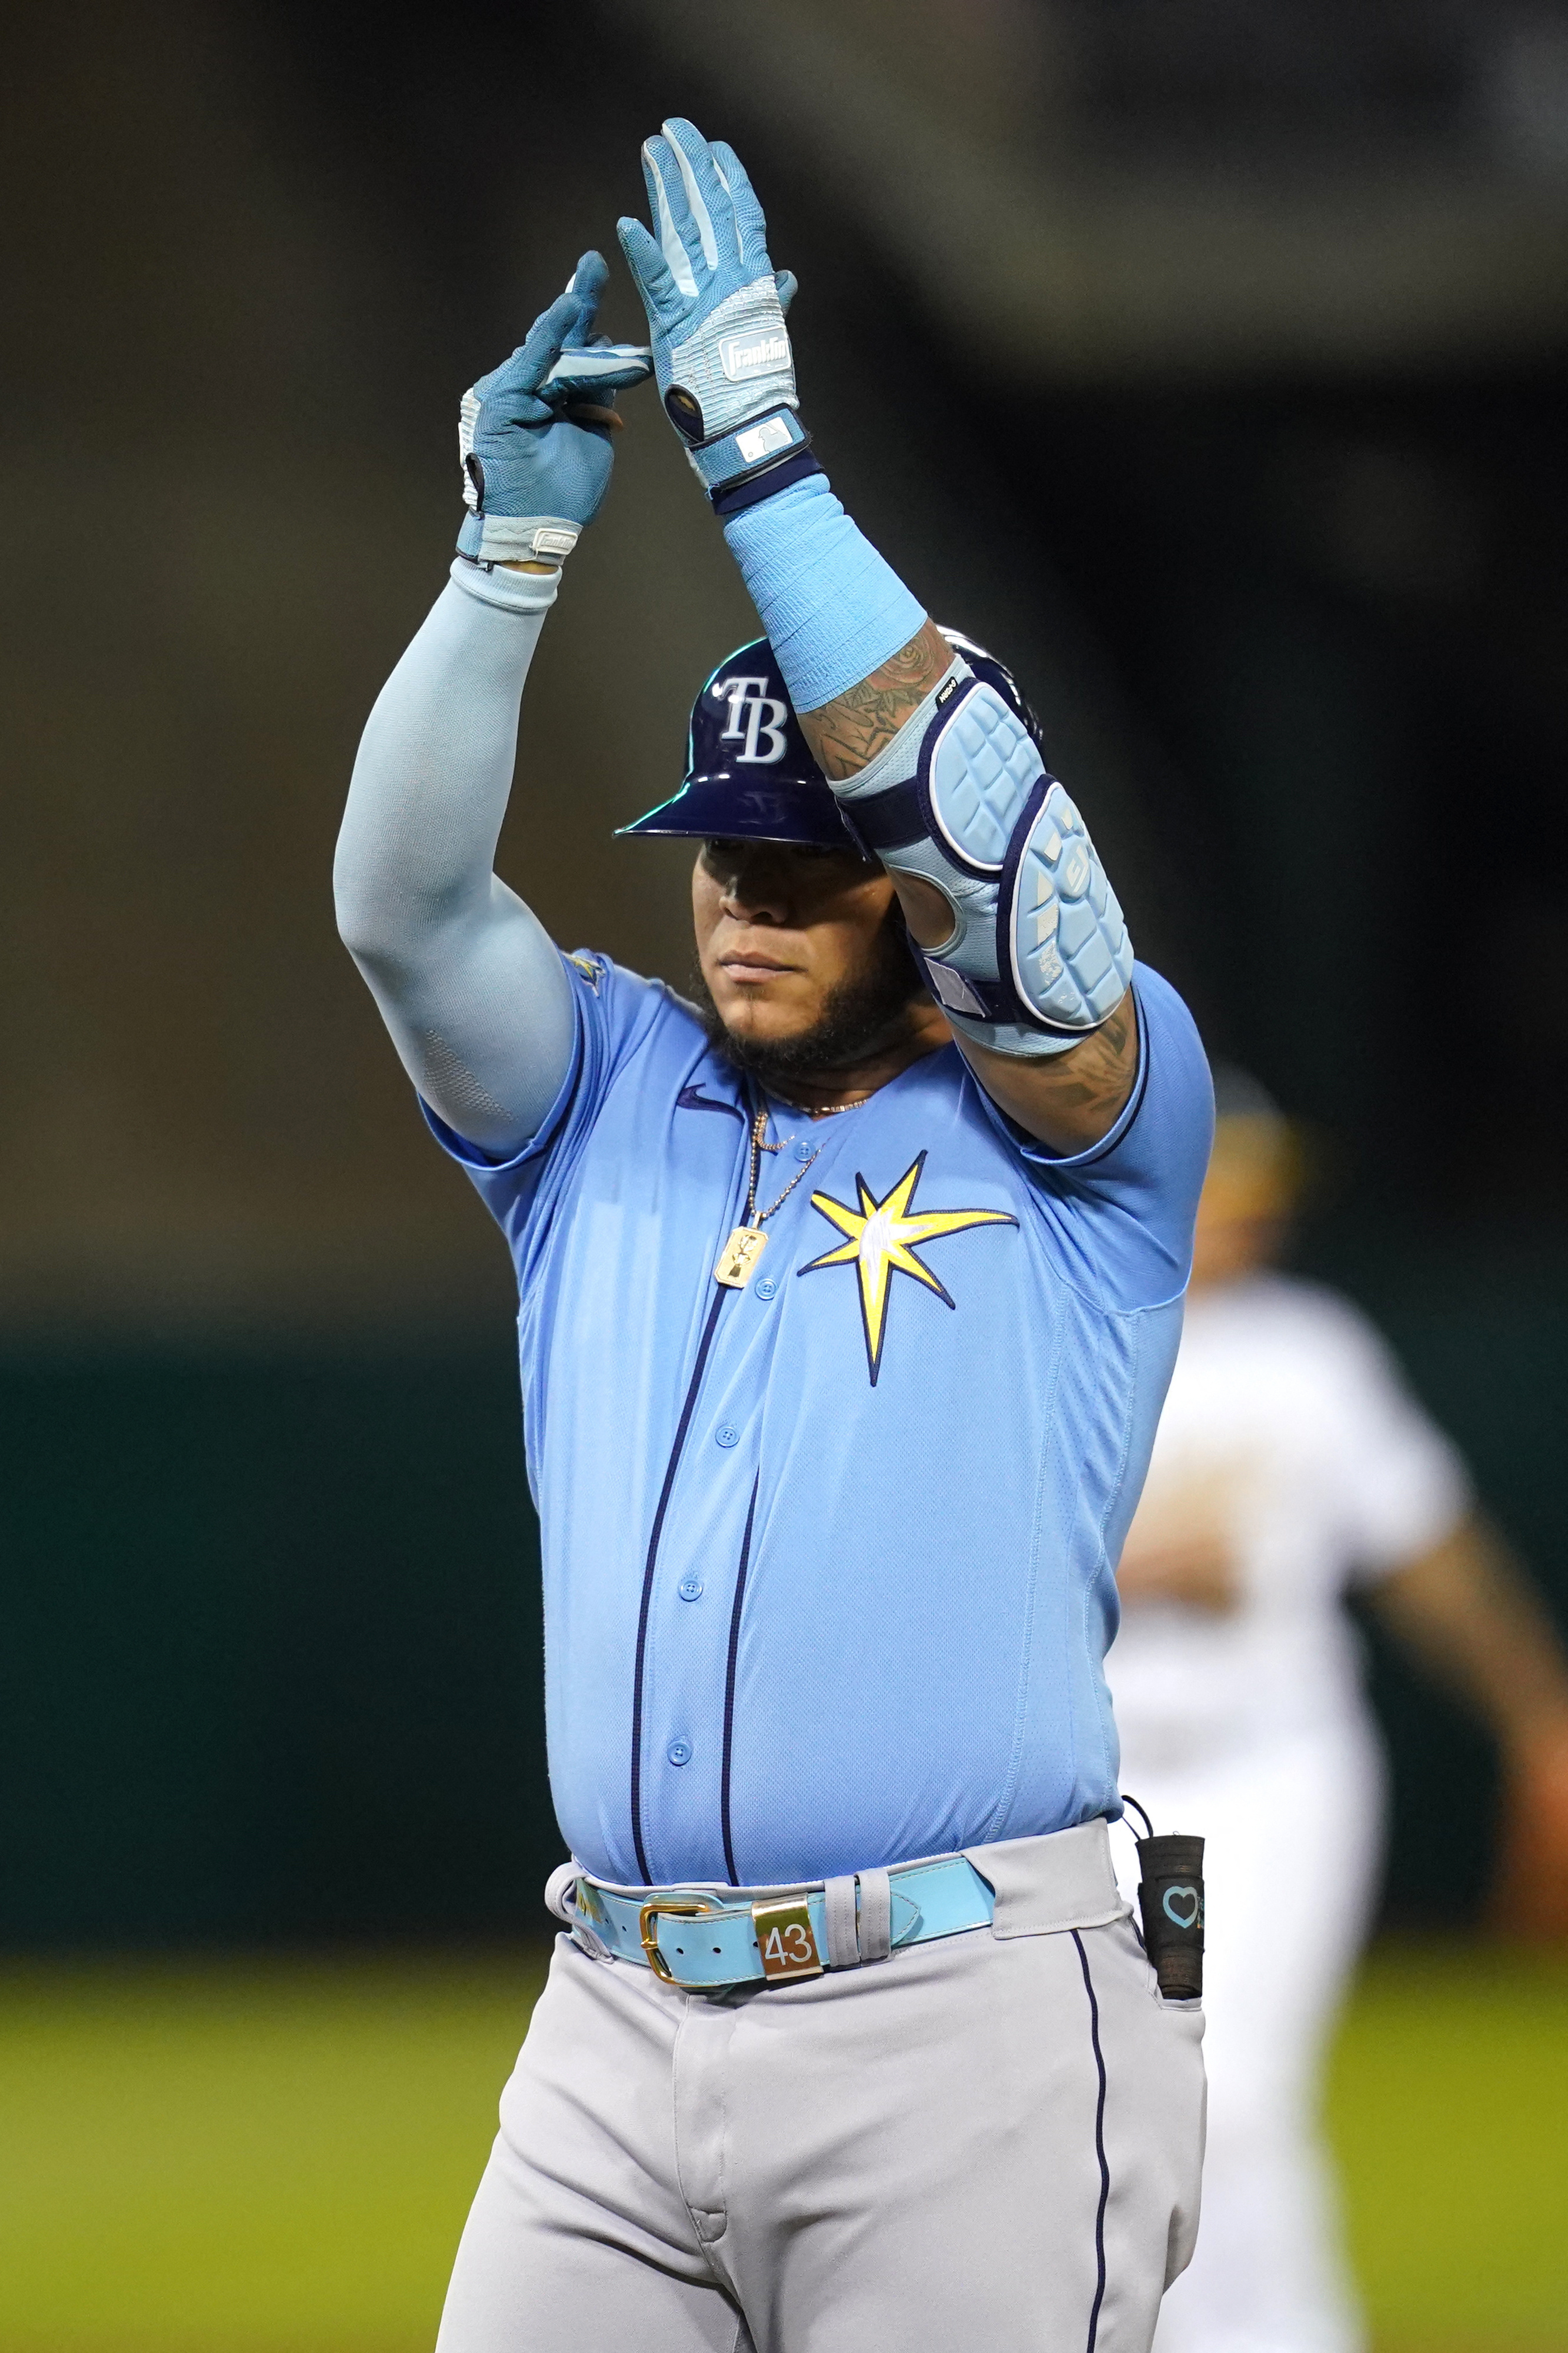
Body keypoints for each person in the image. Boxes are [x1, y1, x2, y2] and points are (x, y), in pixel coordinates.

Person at [336, 119, 1213, 2353]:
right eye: (725, 856)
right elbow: (405, 912)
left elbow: (1022, 889)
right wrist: (503, 562)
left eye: (811, 862)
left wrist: (764, 466)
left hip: (961, 2030)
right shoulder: (603, 1097)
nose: (746, 897)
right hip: (610, 2033)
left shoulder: (1079, 1118)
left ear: (903, 892)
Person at [1106, 1070, 1568, 2353]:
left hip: (1270, 1771)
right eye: (1224, 1181)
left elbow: (1427, 1547)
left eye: (1260, 1185)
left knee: (1234, 2093)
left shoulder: (1312, 1350)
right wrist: (1128, 1556)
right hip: (1102, 1783)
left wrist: (1536, 1706)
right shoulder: (1072, 1327)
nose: (1250, 1209)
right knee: (1124, 2101)